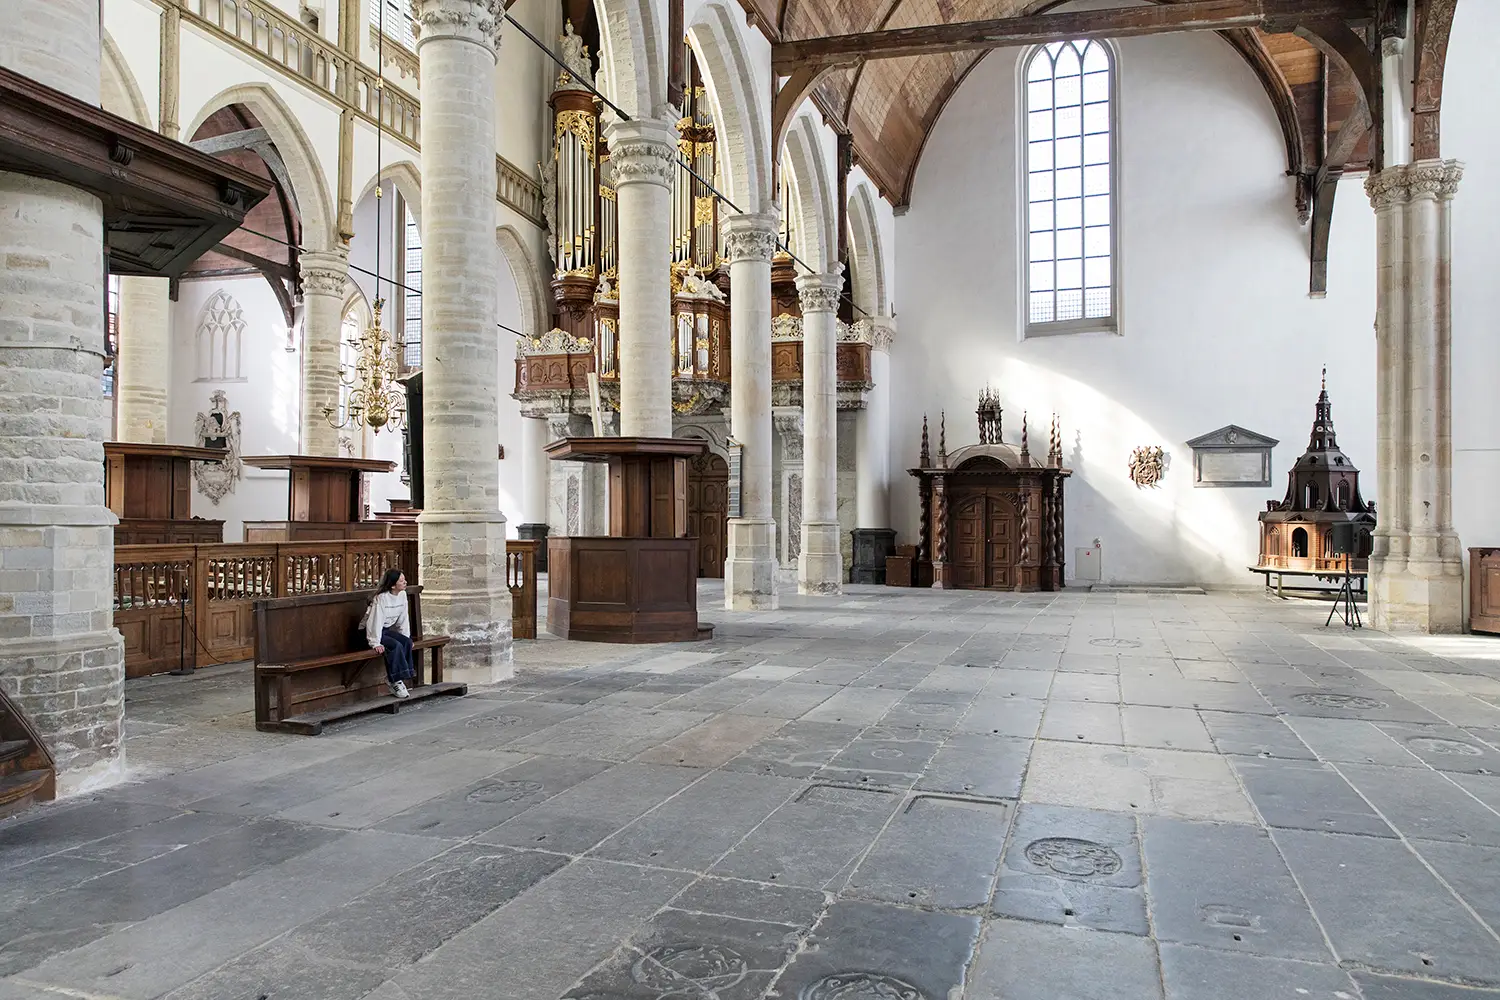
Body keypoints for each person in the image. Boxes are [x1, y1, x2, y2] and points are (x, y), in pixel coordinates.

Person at [366, 569, 414, 698]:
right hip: (370, 631)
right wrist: (374, 642)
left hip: (385, 630)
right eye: (401, 581)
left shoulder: (402, 595)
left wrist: (406, 637)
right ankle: (395, 681)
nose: (405, 583)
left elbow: (403, 619)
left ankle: (400, 677)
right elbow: (375, 621)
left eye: (404, 580)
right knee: (395, 646)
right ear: (393, 585)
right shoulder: (381, 598)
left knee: (406, 643)